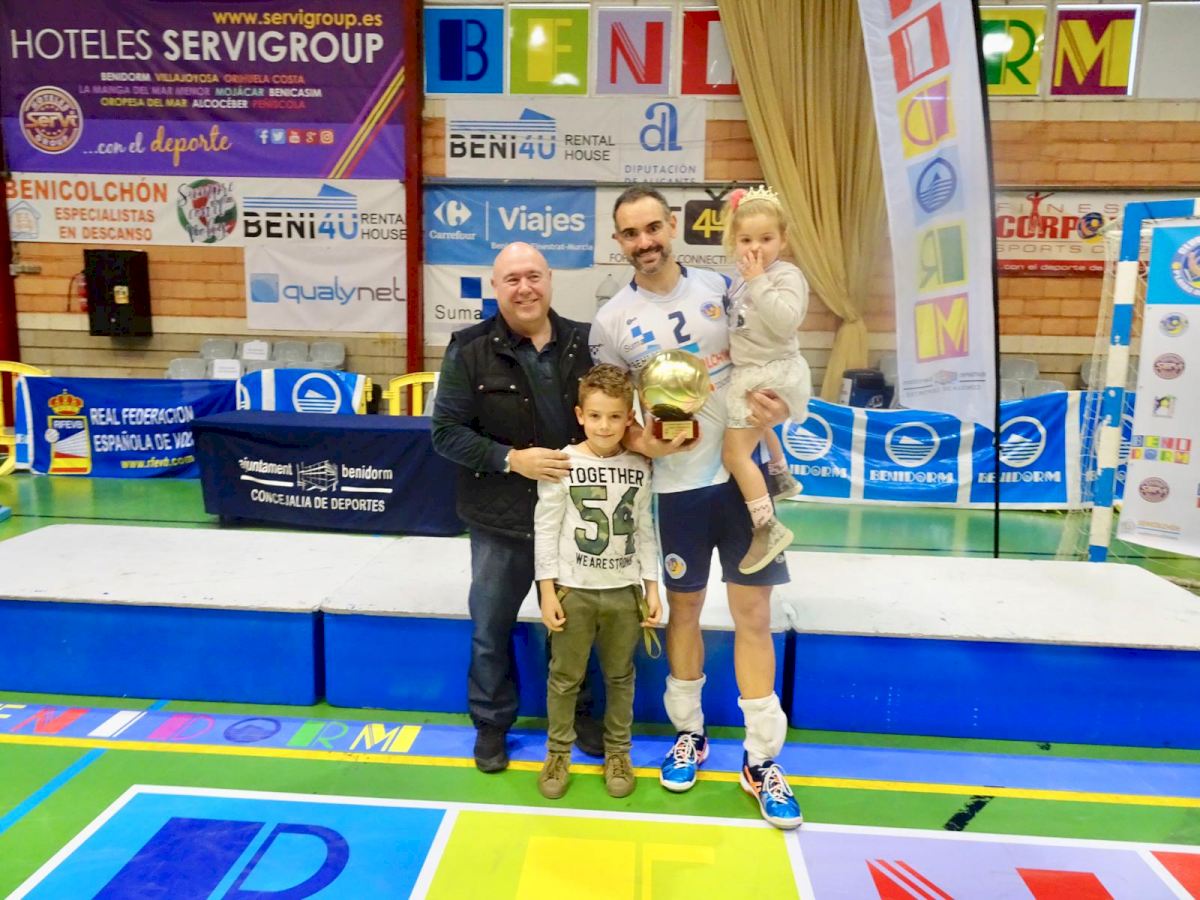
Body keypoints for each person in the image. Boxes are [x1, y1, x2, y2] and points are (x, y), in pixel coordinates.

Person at [590, 187, 803, 830]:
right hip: (676, 489)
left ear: (671, 227)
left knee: (753, 616)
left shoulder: (724, 284)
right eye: (632, 233)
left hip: (739, 481)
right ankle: (690, 734)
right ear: (619, 242)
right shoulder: (612, 322)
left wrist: (780, 409)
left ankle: (762, 759)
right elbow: (614, 420)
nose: (645, 241)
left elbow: (774, 352)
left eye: (654, 227)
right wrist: (644, 442)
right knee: (683, 613)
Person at [431, 241, 601, 774]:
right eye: (512, 279)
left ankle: (579, 715)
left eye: (533, 276)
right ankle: (491, 724)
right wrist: (510, 460)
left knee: (575, 626)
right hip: (500, 519)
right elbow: (445, 433)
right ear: (495, 287)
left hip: (574, 519)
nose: (525, 288)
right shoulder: (468, 348)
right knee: (491, 629)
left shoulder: (588, 343)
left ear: (550, 279)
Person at [533, 364, 661, 800]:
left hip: (624, 591)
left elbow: (644, 529)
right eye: (595, 416)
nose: (604, 426)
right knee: (564, 677)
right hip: (575, 590)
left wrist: (652, 588)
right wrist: (547, 590)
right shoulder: (564, 462)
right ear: (580, 415)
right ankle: (557, 753)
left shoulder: (640, 465)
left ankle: (618, 753)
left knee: (621, 676)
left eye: (614, 416)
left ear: (629, 418)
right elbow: (546, 529)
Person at [719, 186, 811, 575]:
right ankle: (779, 472)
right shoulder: (739, 279)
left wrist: (759, 280)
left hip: (773, 369)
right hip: (750, 369)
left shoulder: (786, 275)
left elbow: (786, 321)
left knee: (734, 454)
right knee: (757, 425)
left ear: (783, 239)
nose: (755, 248)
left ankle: (767, 525)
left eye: (766, 238)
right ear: (734, 242)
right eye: (746, 240)